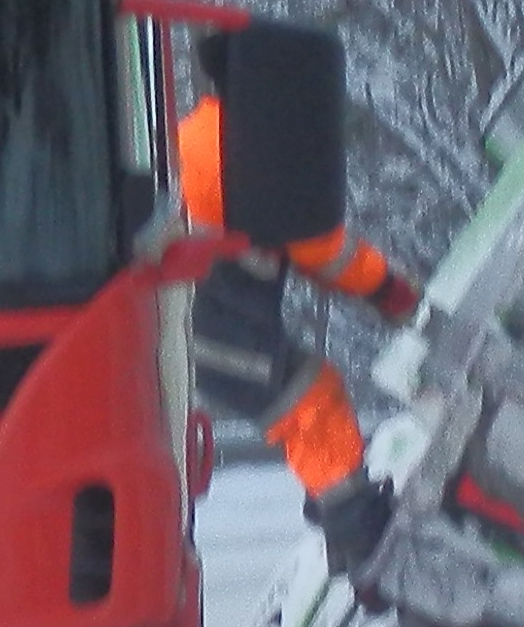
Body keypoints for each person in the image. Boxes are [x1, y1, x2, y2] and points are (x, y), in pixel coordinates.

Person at [177, 40, 423, 576]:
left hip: (193, 320)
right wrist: (390, 290)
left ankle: (337, 507)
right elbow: (318, 245)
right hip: (213, 326)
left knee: (309, 390)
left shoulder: (196, 137)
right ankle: (357, 534)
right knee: (313, 403)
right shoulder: (240, 150)